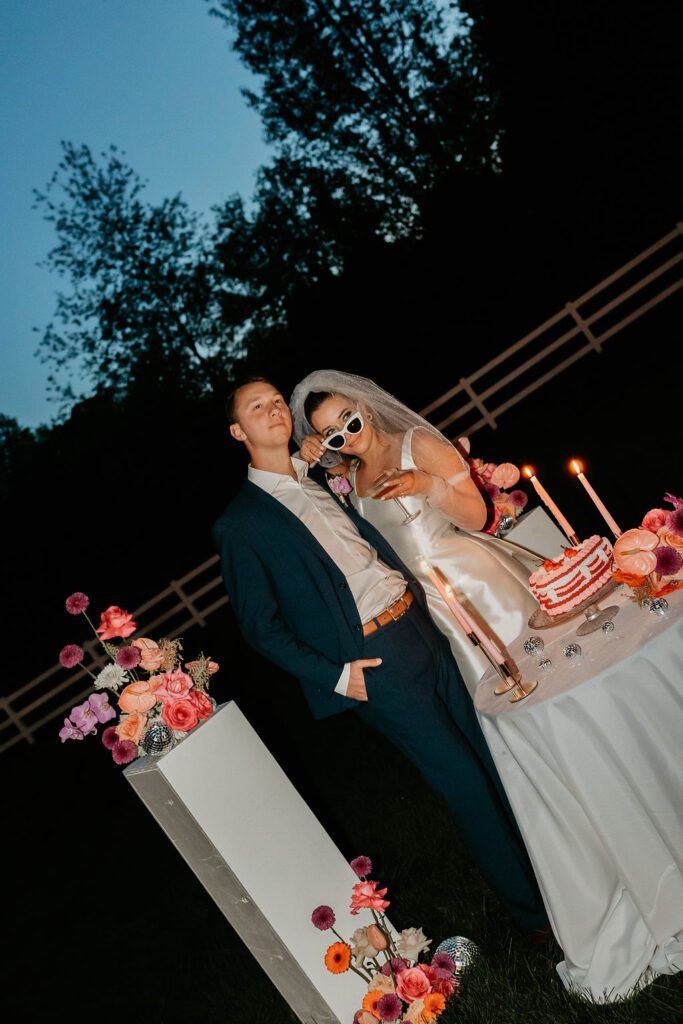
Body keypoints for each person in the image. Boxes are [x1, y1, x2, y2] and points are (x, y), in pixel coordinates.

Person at [212, 375, 549, 938]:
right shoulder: (240, 523)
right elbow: (259, 627)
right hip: (373, 661)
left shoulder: (319, 473)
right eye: (257, 407)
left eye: (276, 401)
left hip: (419, 624)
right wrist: (338, 677)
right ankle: (535, 917)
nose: (272, 409)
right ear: (237, 430)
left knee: (495, 760)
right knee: (464, 782)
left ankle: (555, 876)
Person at [290, 370, 539, 695]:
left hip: (474, 582)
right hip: (426, 609)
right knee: (489, 693)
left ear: (364, 406)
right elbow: (291, 492)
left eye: (350, 420)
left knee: (533, 665)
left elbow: (477, 518)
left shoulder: (417, 442)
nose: (349, 437)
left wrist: (426, 485)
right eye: (333, 435)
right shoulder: (350, 480)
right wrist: (302, 455)